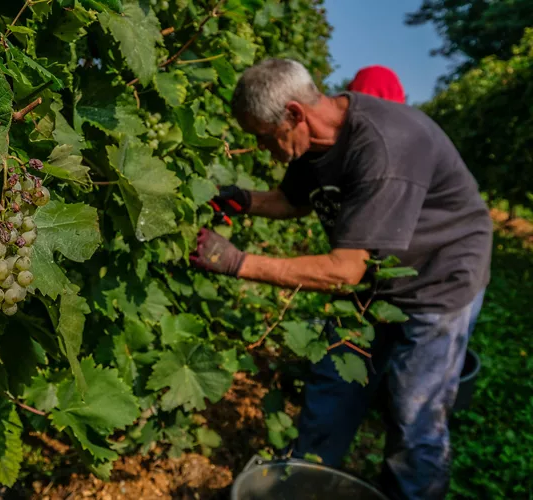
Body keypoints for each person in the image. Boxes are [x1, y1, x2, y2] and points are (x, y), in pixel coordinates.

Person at [191, 58, 492, 500]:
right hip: (376, 278)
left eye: (262, 136)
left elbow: (345, 270)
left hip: (439, 277)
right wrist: (240, 200)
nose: (262, 148)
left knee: (414, 412)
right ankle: (305, 483)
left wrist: (239, 263)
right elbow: (295, 201)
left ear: (294, 114)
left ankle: (411, 493)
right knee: (334, 383)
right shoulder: (316, 142)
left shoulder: (383, 146)